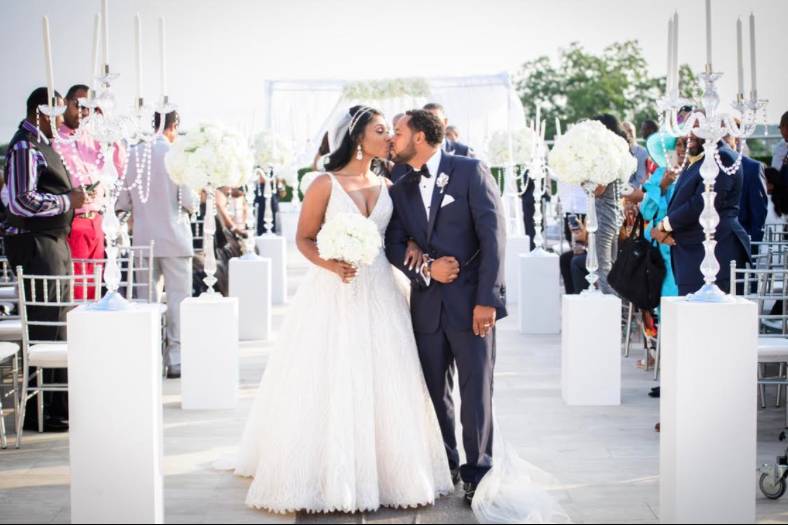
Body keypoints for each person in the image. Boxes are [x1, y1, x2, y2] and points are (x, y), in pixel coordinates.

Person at [224, 105, 453, 513]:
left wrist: (416, 246)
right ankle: (328, 471)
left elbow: (401, 235)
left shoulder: (390, 183)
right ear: (357, 136)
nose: (389, 137)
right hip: (333, 291)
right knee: (329, 375)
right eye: (381, 130)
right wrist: (332, 264)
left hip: (381, 289)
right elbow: (305, 238)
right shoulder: (323, 184)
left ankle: (388, 471)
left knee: (386, 377)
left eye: (390, 130)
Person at [386, 109, 506, 504]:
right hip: (427, 309)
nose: (392, 139)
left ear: (419, 137)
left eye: (398, 132)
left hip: (473, 306)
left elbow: (494, 238)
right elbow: (393, 243)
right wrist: (426, 269)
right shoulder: (400, 186)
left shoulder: (470, 171)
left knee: (476, 394)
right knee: (434, 394)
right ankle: (447, 465)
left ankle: (479, 473)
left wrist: (487, 299)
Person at [3, 87, 92, 431]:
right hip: (35, 243)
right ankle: (42, 410)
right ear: (41, 112)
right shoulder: (25, 146)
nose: (62, 120)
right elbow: (20, 200)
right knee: (45, 321)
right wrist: (68, 201)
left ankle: (56, 404)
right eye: (57, 112)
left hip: (52, 241)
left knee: (58, 319)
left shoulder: (43, 145)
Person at [116, 110, 196, 379]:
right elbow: (189, 202)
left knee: (146, 301)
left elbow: (123, 203)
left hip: (144, 239)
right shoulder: (176, 155)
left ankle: (148, 356)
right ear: (174, 125)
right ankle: (176, 358)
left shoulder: (135, 154)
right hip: (175, 238)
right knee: (178, 300)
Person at [651, 130, 750, 295]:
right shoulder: (700, 157)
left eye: (697, 127)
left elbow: (703, 202)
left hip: (715, 254)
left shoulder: (722, 157)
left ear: (712, 126)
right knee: (693, 317)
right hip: (693, 253)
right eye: (688, 128)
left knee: (710, 317)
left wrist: (665, 225)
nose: (690, 134)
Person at [54, 84, 125, 299]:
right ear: (65, 103)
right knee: (78, 287)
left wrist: (107, 129)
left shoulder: (94, 138)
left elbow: (119, 167)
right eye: (78, 105)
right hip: (73, 220)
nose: (83, 112)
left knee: (97, 284)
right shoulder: (56, 137)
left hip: (98, 220)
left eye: (88, 107)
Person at [641, 133, 683, 298]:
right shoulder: (660, 173)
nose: (682, 149)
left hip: (685, 243)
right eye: (678, 144)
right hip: (662, 246)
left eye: (686, 145)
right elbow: (646, 211)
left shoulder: (699, 174)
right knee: (666, 299)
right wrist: (662, 187)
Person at [591, 114, 629, 295]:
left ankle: (612, 311)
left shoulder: (607, 156)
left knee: (603, 267)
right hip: (615, 213)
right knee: (611, 266)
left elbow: (598, 189)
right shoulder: (619, 151)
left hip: (604, 214)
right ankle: (618, 313)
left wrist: (583, 180)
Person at [722, 133, 768, 245]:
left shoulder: (752, 168)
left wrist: (752, 246)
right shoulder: (705, 167)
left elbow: (758, 212)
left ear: (736, 139)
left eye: (726, 134)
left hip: (740, 242)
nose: (721, 138)